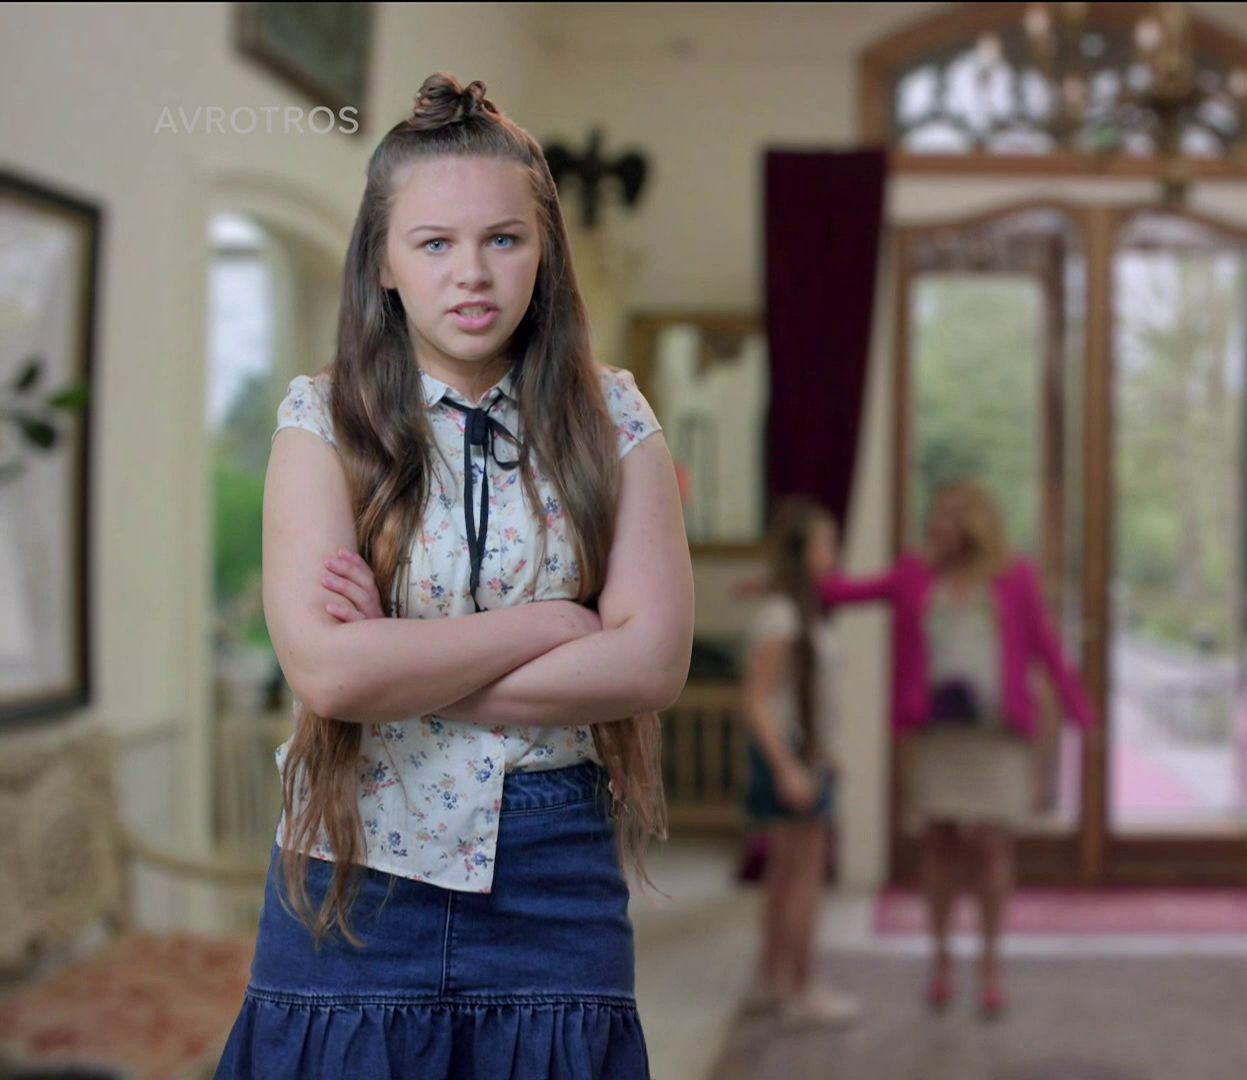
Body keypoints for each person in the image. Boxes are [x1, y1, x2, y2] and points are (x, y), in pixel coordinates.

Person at [214, 73, 694, 1079]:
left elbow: (651, 665)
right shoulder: (320, 420)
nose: (471, 274)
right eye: (434, 243)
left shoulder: (615, 417)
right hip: (352, 861)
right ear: (382, 262)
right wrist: (554, 624)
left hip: (555, 866)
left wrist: (397, 661)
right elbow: (330, 678)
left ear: (544, 252)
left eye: (502, 240)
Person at [818, 480, 1095, 1019]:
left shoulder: (1015, 577)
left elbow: (1046, 648)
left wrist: (1079, 711)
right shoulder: (914, 574)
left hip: (998, 738)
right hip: (939, 736)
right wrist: (793, 577)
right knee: (940, 845)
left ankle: (990, 964)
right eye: (937, 514)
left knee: (992, 848)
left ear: (977, 523)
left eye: (952, 515)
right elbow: (846, 594)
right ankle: (942, 959)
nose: (939, 525)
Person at [738, 496, 860, 1026]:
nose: (834, 552)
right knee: (802, 877)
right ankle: (799, 986)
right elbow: (757, 699)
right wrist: (788, 767)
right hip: (791, 756)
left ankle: (774, 980)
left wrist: (828, 753)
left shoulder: (796, 610)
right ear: (803, 551)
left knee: (786, 875)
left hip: (805, 755)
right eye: (826, 543)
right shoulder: (784, 615)